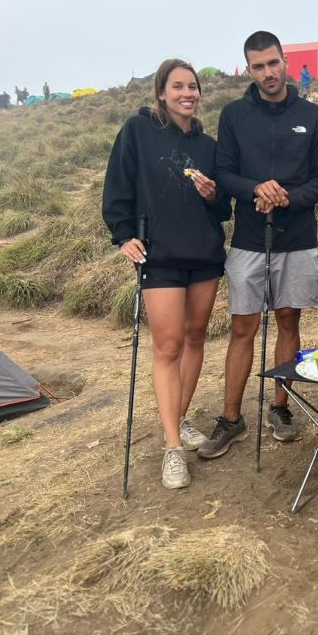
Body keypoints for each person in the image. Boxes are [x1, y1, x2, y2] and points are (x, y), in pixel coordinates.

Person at [102, 58, 231, 489]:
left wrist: (214, 196)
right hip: (160, 256)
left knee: (196, 337)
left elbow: (223, 210)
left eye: (192, 87)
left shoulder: (210, 146)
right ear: (162, 92)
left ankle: (176, 418)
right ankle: (174, 448)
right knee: (168, 346)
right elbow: (117, 186)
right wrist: (123, 235)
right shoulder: (137, 132)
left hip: (205, 253)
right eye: (178, 87)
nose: (187, 94)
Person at [211, 31, 318, 455]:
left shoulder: (312, 116)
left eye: (273, 63)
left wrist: (288, 196)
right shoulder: (233, 116)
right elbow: (224, 172)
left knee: (288, 321)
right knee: (243, 326)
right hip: (248, 238)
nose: (268, 72)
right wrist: (255, 189)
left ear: (286, 63)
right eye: (258, 66)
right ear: (249, 69)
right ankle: (230, 418)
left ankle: (280, 406)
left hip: (297, 237)